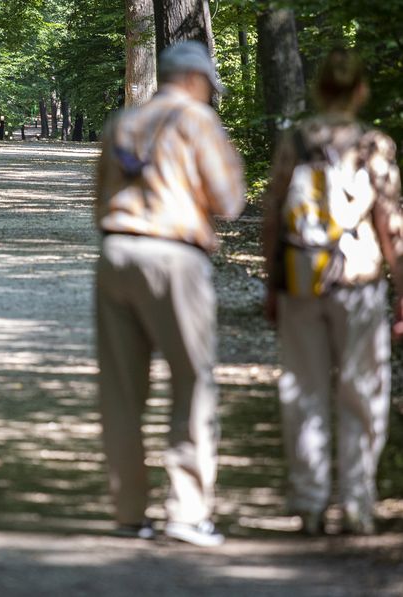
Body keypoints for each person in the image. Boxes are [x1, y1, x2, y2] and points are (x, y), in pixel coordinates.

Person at [94, 40, 245, 547]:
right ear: (196, 80)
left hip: (117, 252)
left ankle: (128, 513)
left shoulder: (122, 122)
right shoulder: (197, 121)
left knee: (120, 389)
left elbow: (99, 200)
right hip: (176, 256)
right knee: (192, 382)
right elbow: (229, 200)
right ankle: (185, 512)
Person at [262, 48, 403, 535]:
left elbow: (273, 216)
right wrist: (401, 289)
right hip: (359, 282)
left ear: (319, 89)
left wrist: (271, 283)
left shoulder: (295, 140)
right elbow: (390, 224)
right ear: (361, 90)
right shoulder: (374, 145)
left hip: (303, 279)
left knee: (303, 390)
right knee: (362, 392)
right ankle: (359, 504)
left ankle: (310, 503)